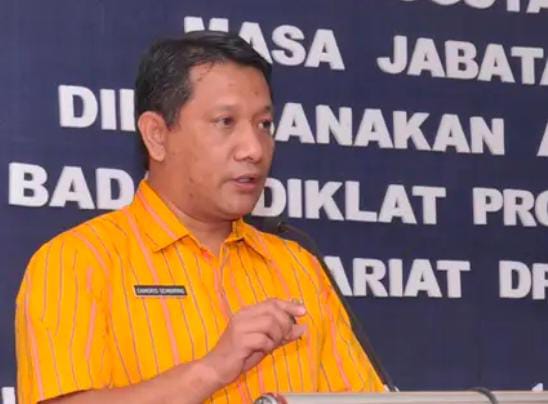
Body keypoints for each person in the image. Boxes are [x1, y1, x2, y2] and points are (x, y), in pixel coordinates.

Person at [15, 30, 384, 404]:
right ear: (157, 135)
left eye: (264, 125)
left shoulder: (297, 266)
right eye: (226, 121)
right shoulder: (78, 261)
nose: (254, 149)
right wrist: (212, 370)